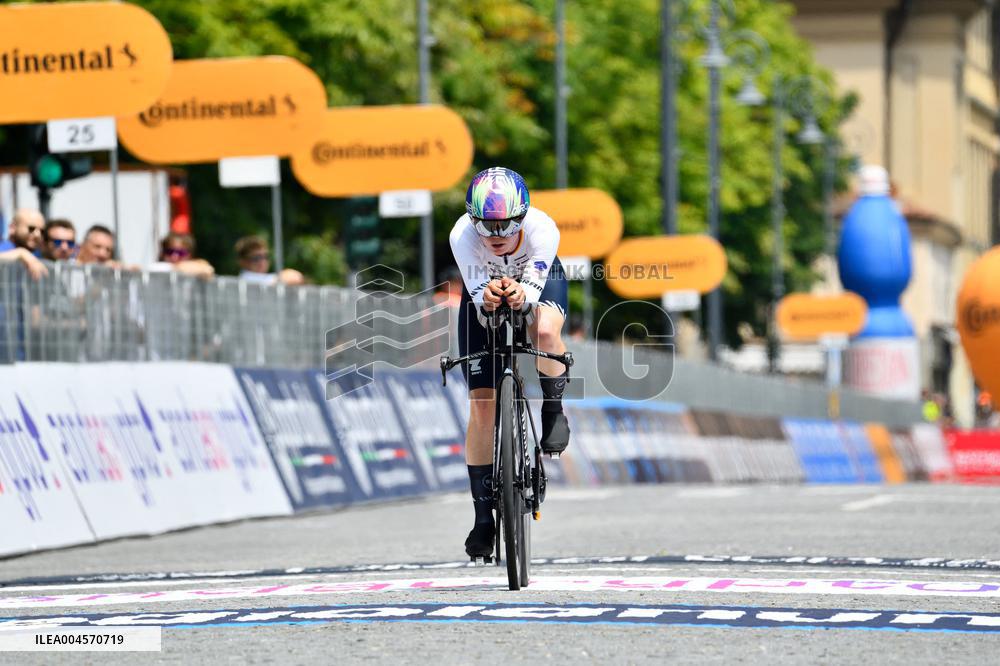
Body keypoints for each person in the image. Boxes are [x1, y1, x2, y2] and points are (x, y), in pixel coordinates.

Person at [449, 166, 571, 561]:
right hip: (483, 290)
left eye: (507, 225)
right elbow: (480, 295)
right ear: (472, 220)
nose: (497, 236)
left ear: (522, 217)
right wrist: (490, 293)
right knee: (481, 407)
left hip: (537, 279)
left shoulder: (543, 229)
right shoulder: (461, 236)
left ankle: (553, 410)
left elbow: (531, 294)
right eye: (487, 226)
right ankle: (483, 518)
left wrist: (522, 292)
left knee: (546, 331)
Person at [234, 235, 304, 285]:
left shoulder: (265, 279)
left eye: (265, 256)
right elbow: (294, 278)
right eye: (256, 258)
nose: (262, 262)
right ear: (242, 261)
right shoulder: (245, 279)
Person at [149, 232, 215, 278]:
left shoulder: (198, 266)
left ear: (190, 255)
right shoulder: (154, 269)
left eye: (180, 253)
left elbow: (208, 270)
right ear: (163, 253)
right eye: (170, 252)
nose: (174, 256)